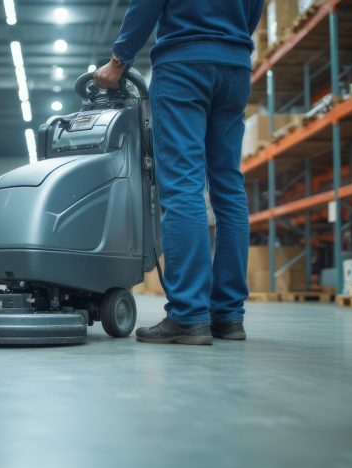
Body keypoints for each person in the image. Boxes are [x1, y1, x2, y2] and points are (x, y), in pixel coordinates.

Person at [95, 0, 264, 345]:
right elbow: (255, 10)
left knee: (182, 187)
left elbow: (146, 5)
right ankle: (229, 316)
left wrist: (118, 61)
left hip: (184, 65)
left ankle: (188, 315)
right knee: (229, 188)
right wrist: (227, 40)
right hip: (234, 67)